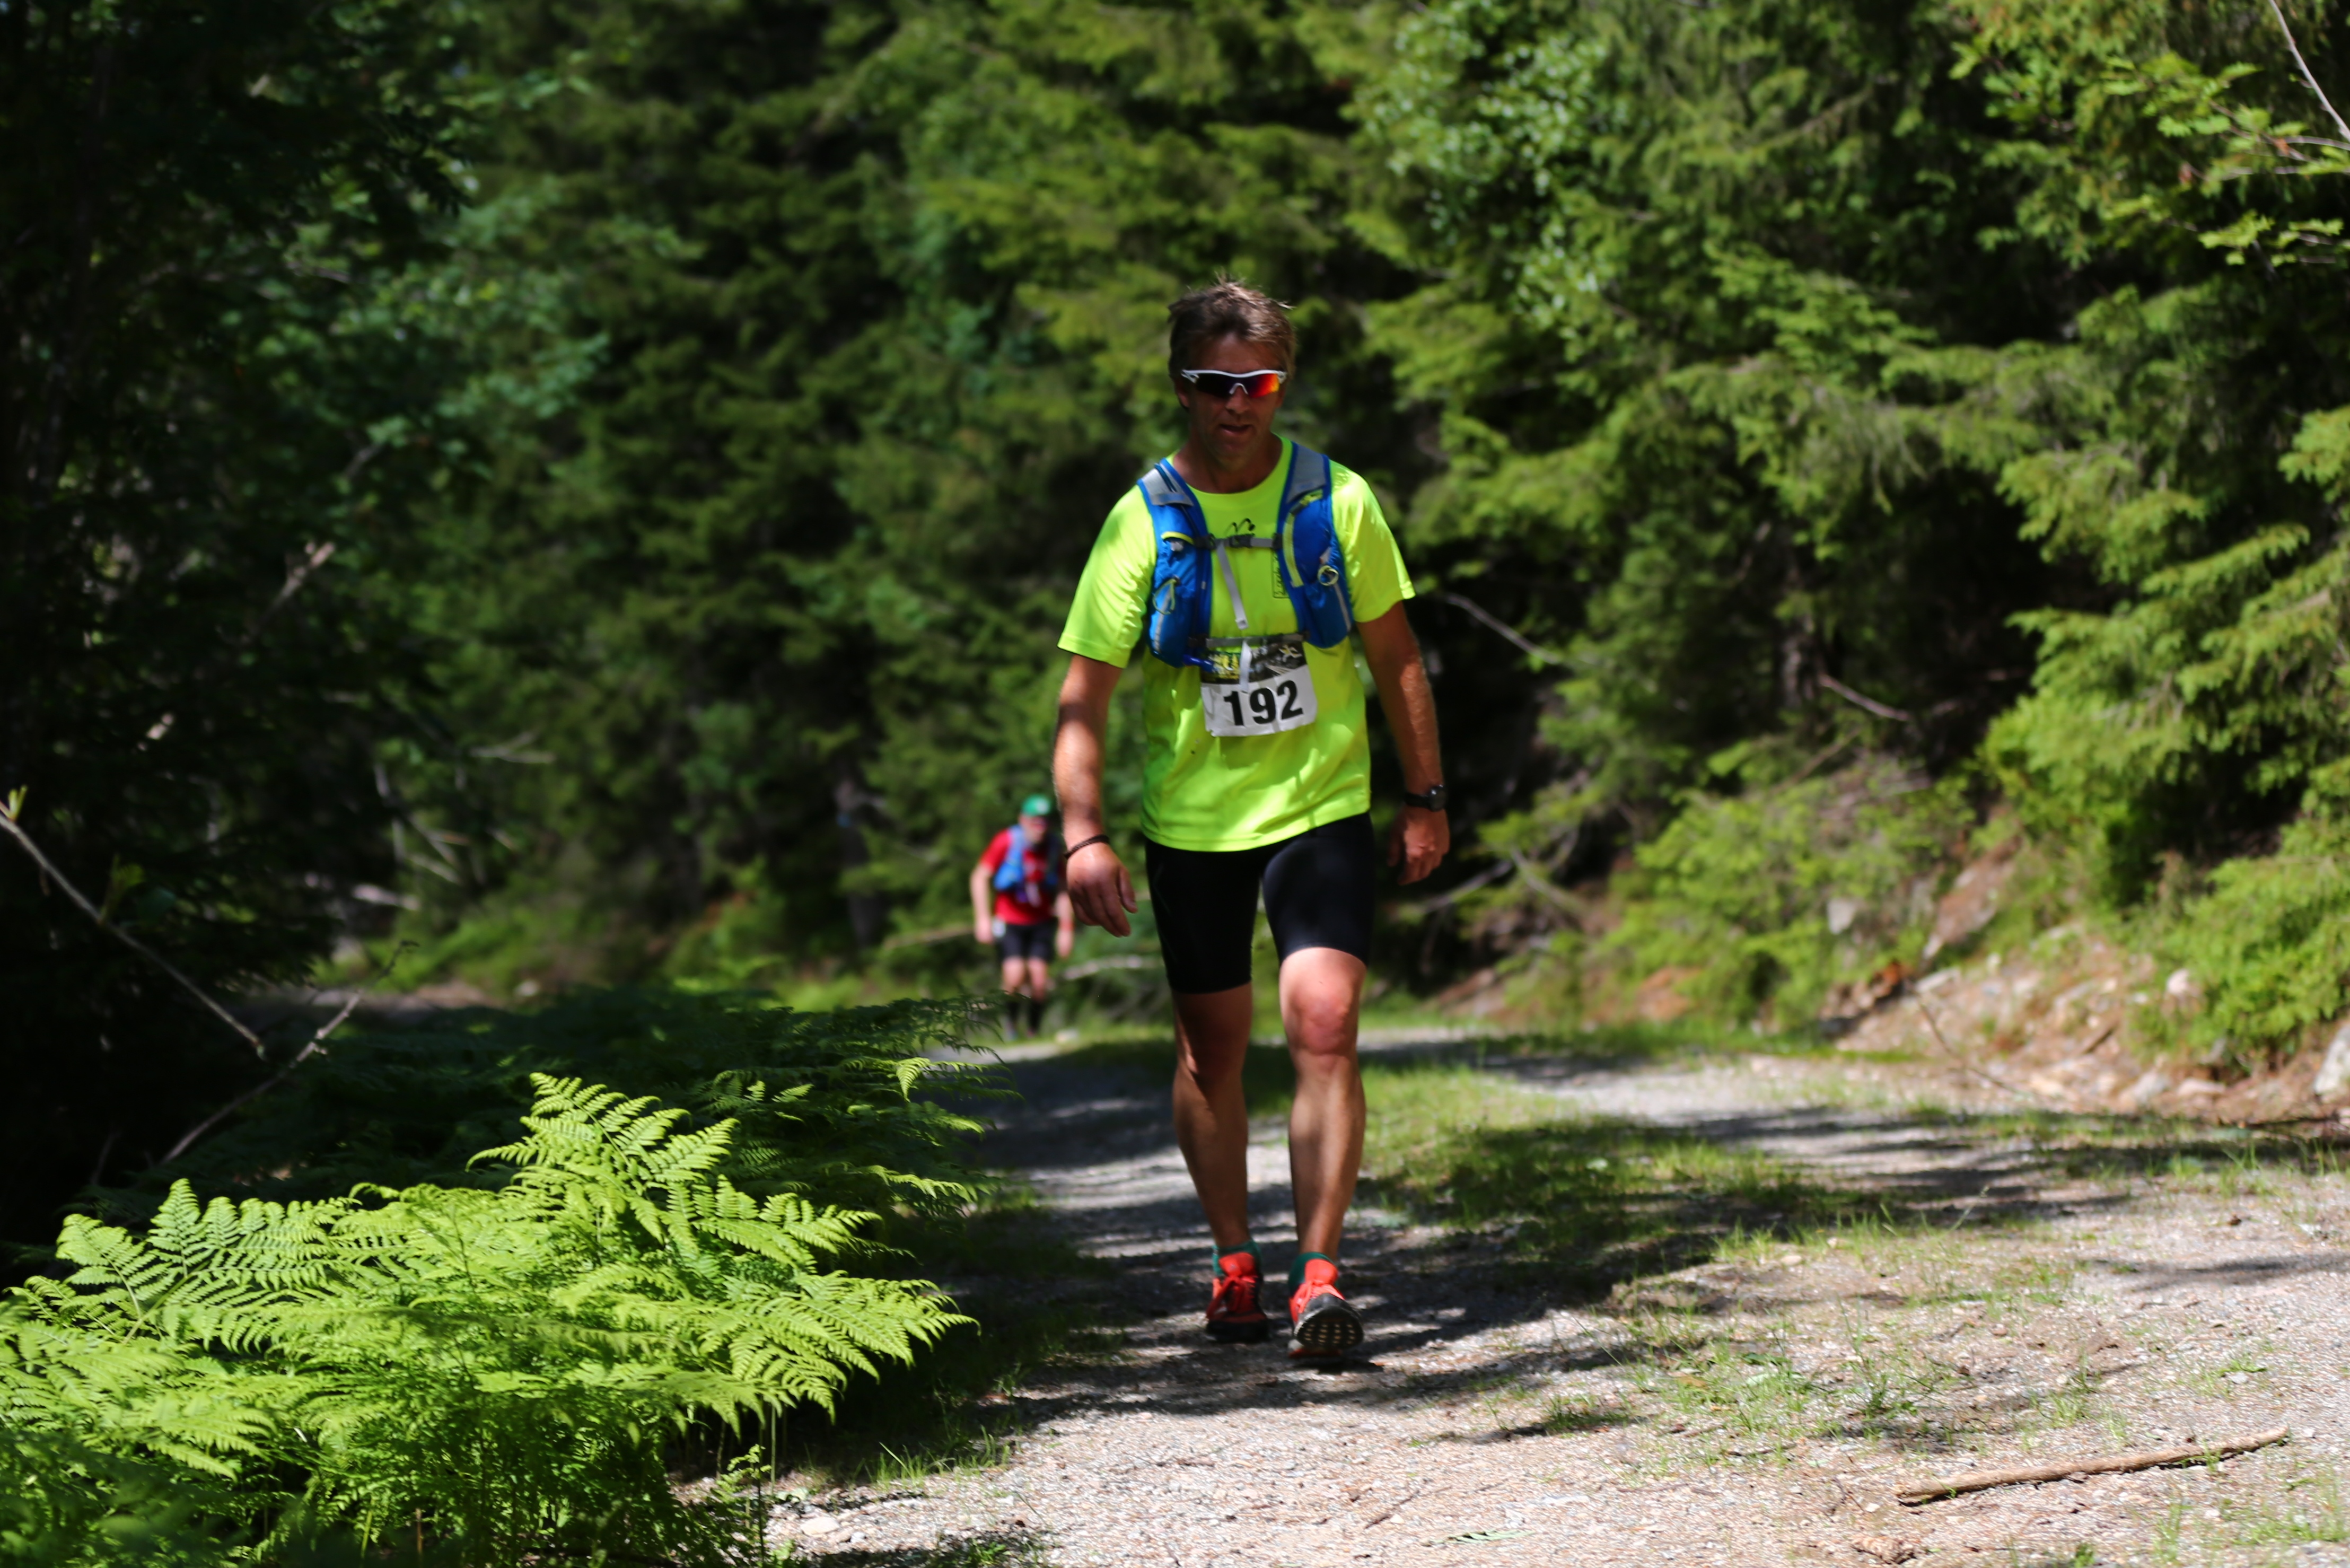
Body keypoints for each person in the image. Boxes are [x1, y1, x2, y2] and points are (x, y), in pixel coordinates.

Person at [1051, 278, 1448, 1359]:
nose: (1238, 402)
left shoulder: (1337, 500)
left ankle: (1320, 1273)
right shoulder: (1141, 520)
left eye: (1259, 383)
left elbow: (1395, 657)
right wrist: (1083, 835)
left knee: (1324, 1020)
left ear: (1282, 385)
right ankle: (1234, 1261)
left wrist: (1424, 798)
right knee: (1208, 1051)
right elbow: (1084, 695)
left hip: (1319, 803)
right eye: (1216, 382)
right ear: (1182, 386)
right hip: (1193, 822)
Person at [971, 794, 1076, 1040]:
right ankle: (1010, 1026)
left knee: (1039, 981)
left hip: (1041, 921)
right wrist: (983, 919)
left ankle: (1033, 1032)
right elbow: (979, 877)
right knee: (1015, 977)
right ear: (1023, 820)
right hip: (1010, 921)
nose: (1040, 827)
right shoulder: (1006, 841)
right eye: (1034, 821)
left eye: (1045, 821)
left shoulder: (1054, 848)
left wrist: (1066, 928)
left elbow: (1063, 889)